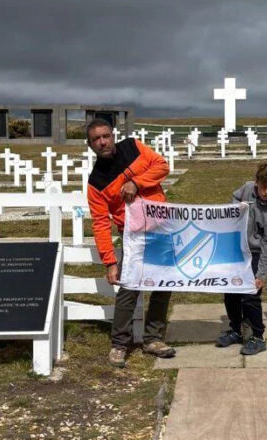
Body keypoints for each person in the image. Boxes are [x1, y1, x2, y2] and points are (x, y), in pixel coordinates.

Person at [85, 118, 176, 368]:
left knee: (162, 284)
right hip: (133, 235)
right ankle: (119, 344)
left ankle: (153, 339)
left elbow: (161, 166)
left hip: (160, 225)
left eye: (105, 136)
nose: (102, 142)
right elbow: (101, 223)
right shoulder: (96, 183)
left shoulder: (134, 147)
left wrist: (136, 182)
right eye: (96, 139)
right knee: (129, 288)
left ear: (112, 135)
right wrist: (109, 261)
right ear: (90, 144)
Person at [216, 162, 267, 355]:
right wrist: (237, 207)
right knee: (230, 292)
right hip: (236, 249)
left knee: (251, 295)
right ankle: (236, 330)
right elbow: (233, 199)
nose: (266, 192)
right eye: (263, 187)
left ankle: (258, 336)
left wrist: (261, 274)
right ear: (256, 182)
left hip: (254, 254)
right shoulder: (246, 189)